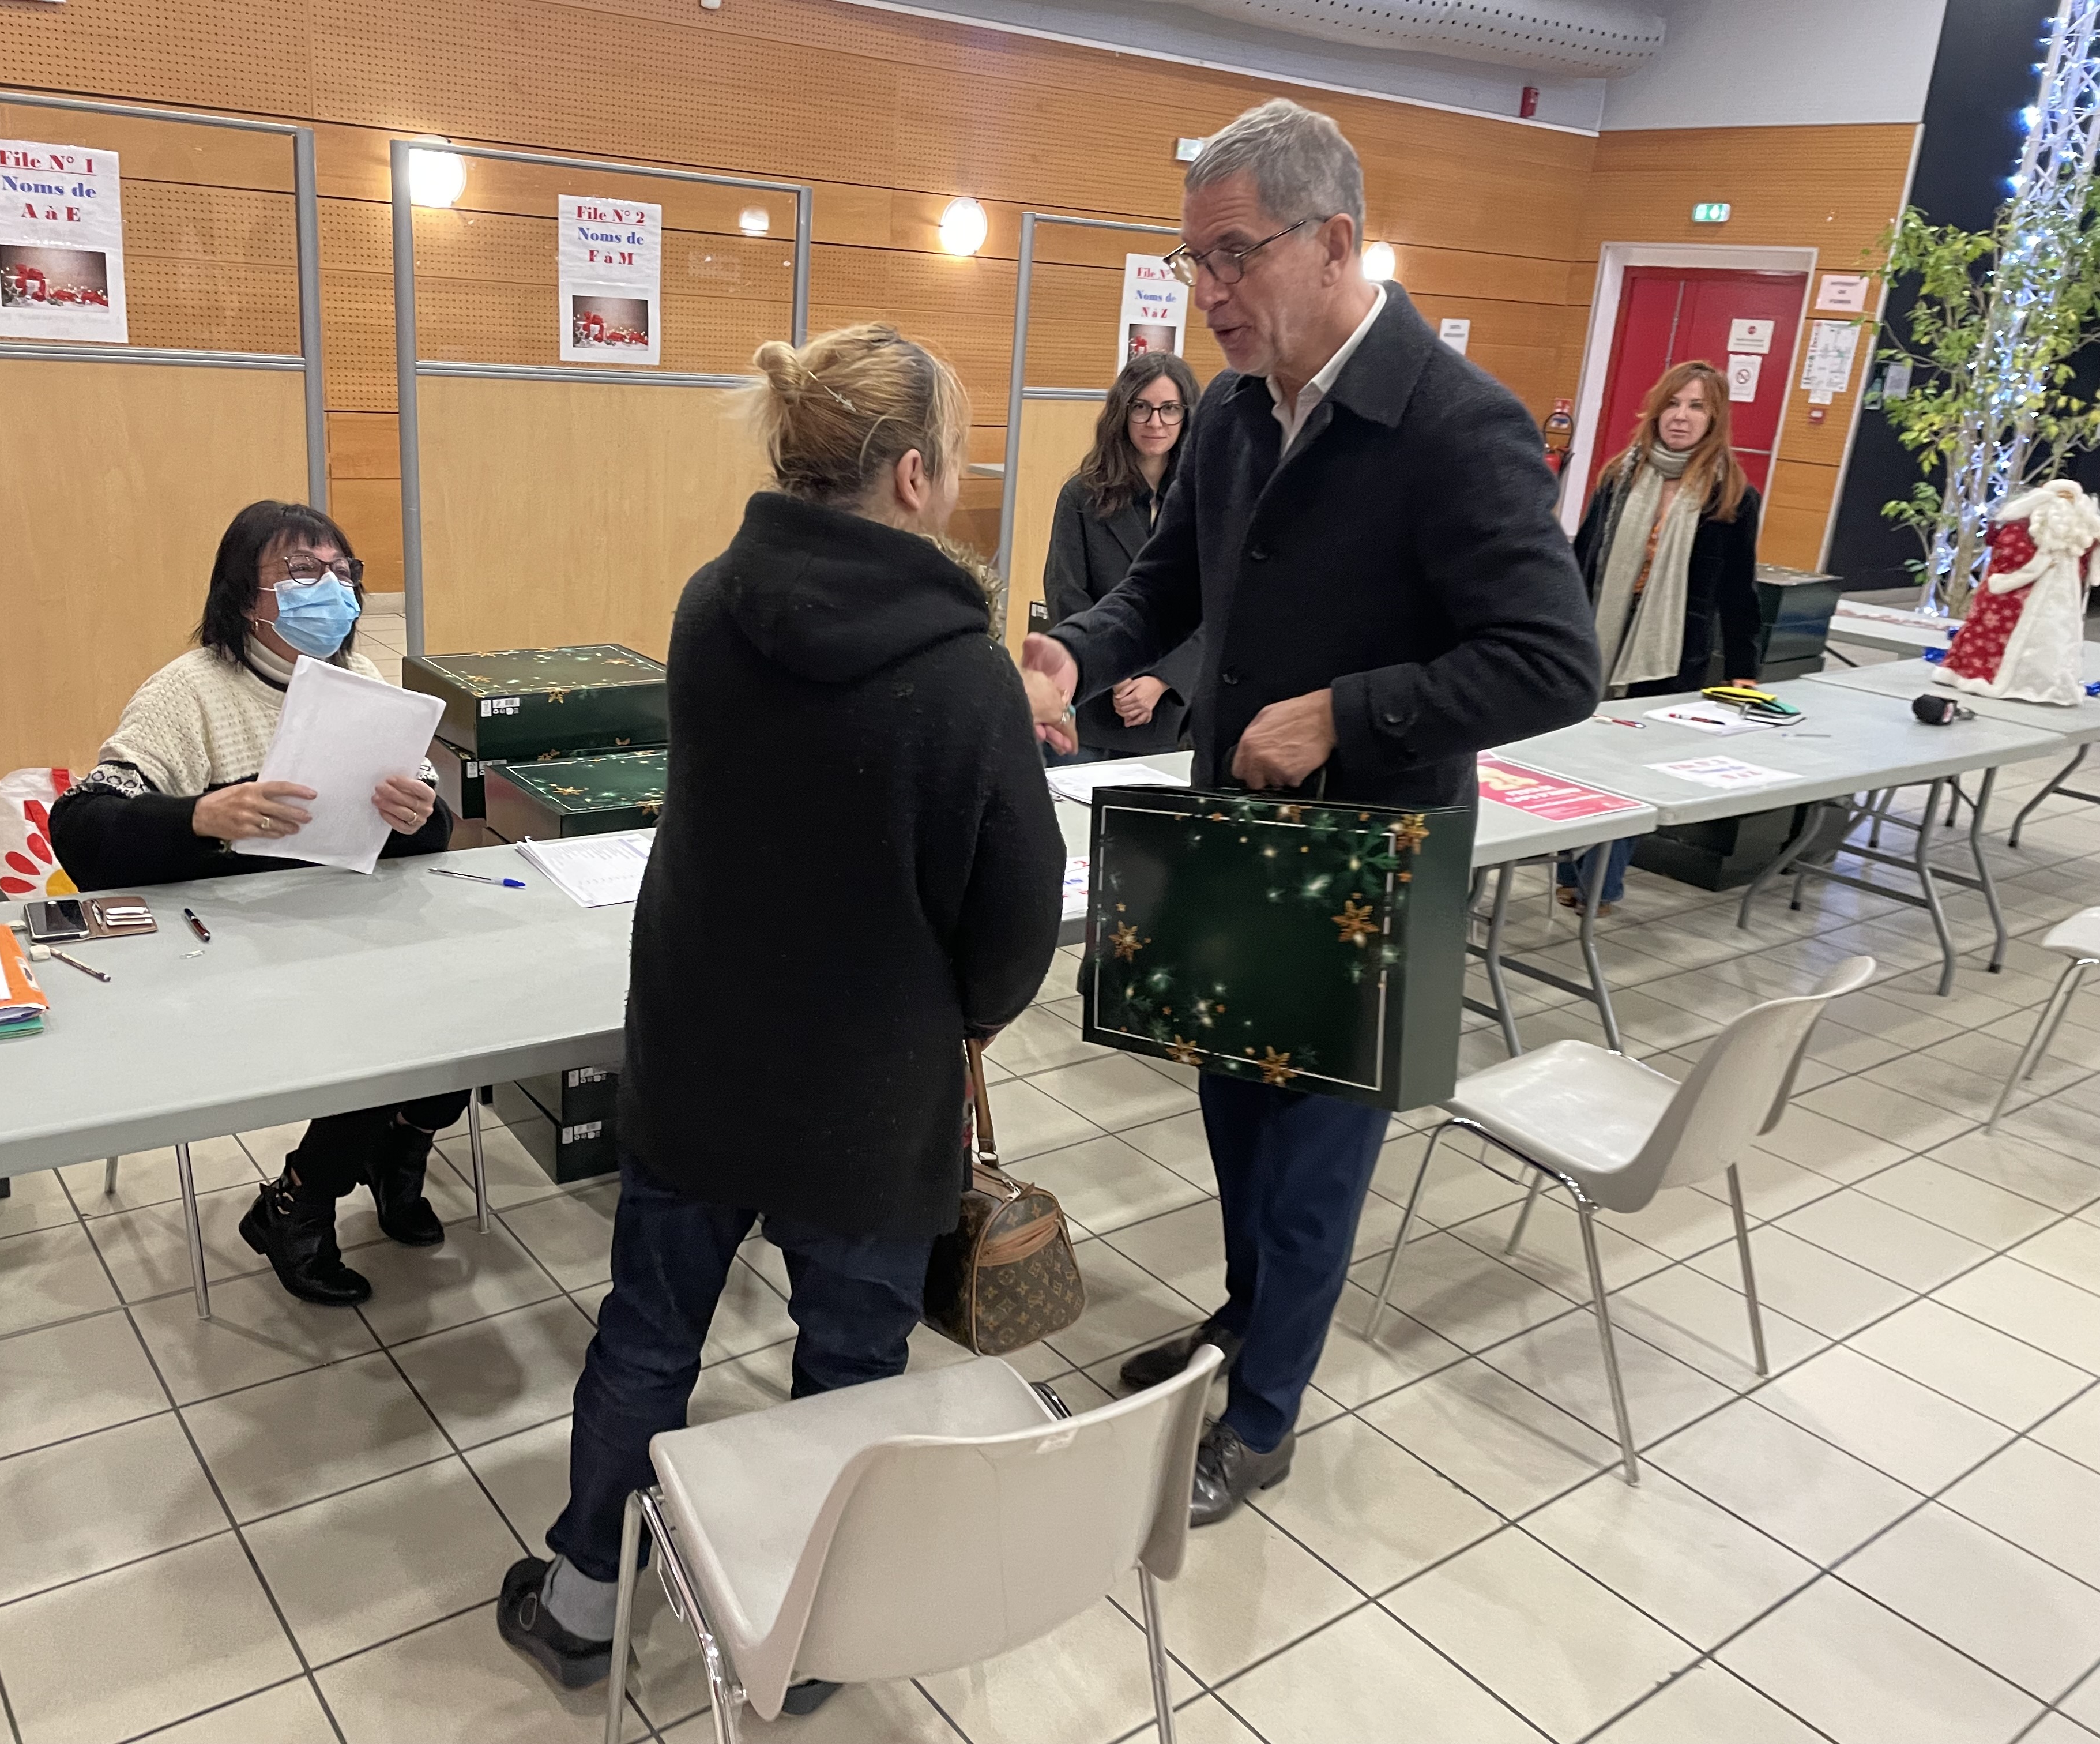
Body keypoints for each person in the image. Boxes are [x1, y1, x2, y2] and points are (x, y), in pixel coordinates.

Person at [1021, 99, 1599, 1525]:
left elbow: (1552, 662)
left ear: (1335, 240)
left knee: (1312, 1162)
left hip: (1371, 862)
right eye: (1192, 265)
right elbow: (1176, 590)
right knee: (1233, 1119)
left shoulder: (1458, 425)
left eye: (1233, 258)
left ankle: (1265, 1415)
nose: (1206, 294)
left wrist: (1351, 710)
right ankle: (1243, 1327)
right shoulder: (1227, 411)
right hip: (1236, 840)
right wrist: (1078, 650)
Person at [498, 325, 1066, 1700]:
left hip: (700, 1052)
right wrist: (967, 1017)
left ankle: (585, 1601)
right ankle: (808, 1633)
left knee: (647, 1336)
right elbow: (1016, 911)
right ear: (917, 476)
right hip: (871, 1095)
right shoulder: (967, 675)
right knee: (853, 1361)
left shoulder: (709, 604)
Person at [50, 499, 466, 1307]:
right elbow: (83, 828)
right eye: (303, 572)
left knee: (462, 1014)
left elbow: (426, 836)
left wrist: (420, 815)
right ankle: (299, 1201)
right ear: (246, 595)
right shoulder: (188, 692)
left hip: (340, 919)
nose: (332, 590)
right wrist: (201, 816)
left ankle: (398, 1150)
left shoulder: (362, 682)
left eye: (343, 573)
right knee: (382, 1031)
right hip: (226, 942)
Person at [1556, 360, 1763, 912]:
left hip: (1668, 656)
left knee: (1629, 770)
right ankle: (1568, 864)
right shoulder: (1619, 475)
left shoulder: (1733, 495)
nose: (1681, 417)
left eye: (1696, 407)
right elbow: (1581, 563)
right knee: (1575, 756)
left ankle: (1601, 882)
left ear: (1714, 417)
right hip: (1595, 642)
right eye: (1673, 404)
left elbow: (1739, 592)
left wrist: (1745, 672)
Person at [1043, 351, 1205, 761]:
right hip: (1096, 704)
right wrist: (1115, 671)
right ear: (1122, 412)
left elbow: (1215, 604)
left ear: (1187, 415)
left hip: (1172, 711)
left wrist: (1161, 681)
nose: (1156, 422)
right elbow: (1066, 593)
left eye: (1170, 409)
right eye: (1142, 408)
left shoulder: (1207, 499)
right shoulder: (1081, 495)